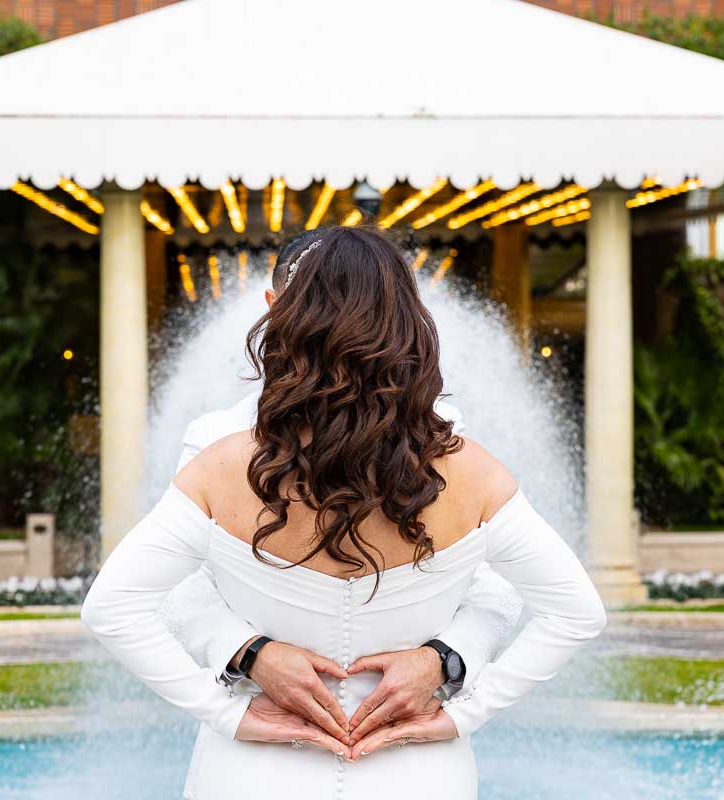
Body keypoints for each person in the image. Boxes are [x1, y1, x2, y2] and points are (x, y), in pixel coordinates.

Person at [81, 226, 607, 799]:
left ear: (283, 319)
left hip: (255, 765)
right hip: (417, 766)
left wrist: (447, 660)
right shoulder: (469, 468)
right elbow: (575, 611)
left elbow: (113, 606)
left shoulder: (219, 465)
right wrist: (249, 654)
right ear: (408, 323)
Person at [155, 228, 524, 750]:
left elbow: (496, 577)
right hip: (259, 732)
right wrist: (248, 652)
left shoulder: (446, 439)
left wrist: (445, 657)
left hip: (409, 739)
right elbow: (175, 584)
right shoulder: (213, 440)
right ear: (272, 307)